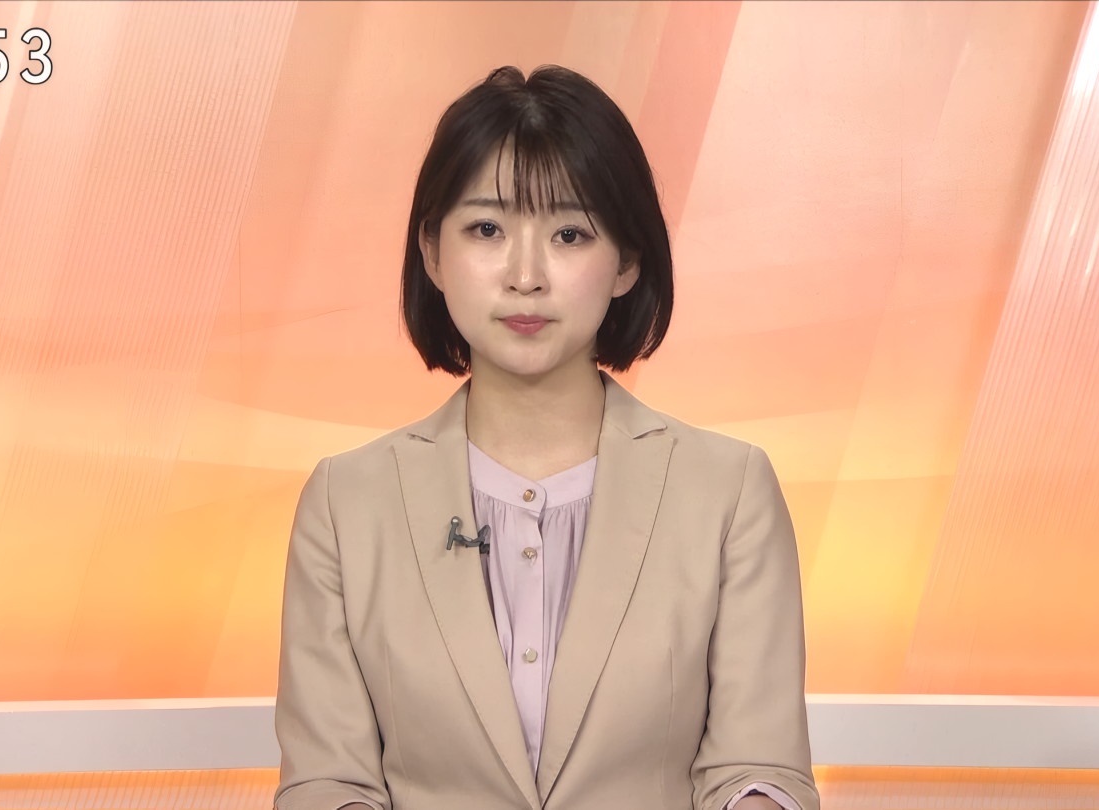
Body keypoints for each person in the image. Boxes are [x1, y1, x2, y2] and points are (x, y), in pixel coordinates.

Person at [273, 64, 818, 810]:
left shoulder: (729, 493)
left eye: (569, 234)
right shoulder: (346, 503)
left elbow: (759, 769)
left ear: (627, 262)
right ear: (432, 253)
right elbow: (328, 782)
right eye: (487, 229)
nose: (526, 276)